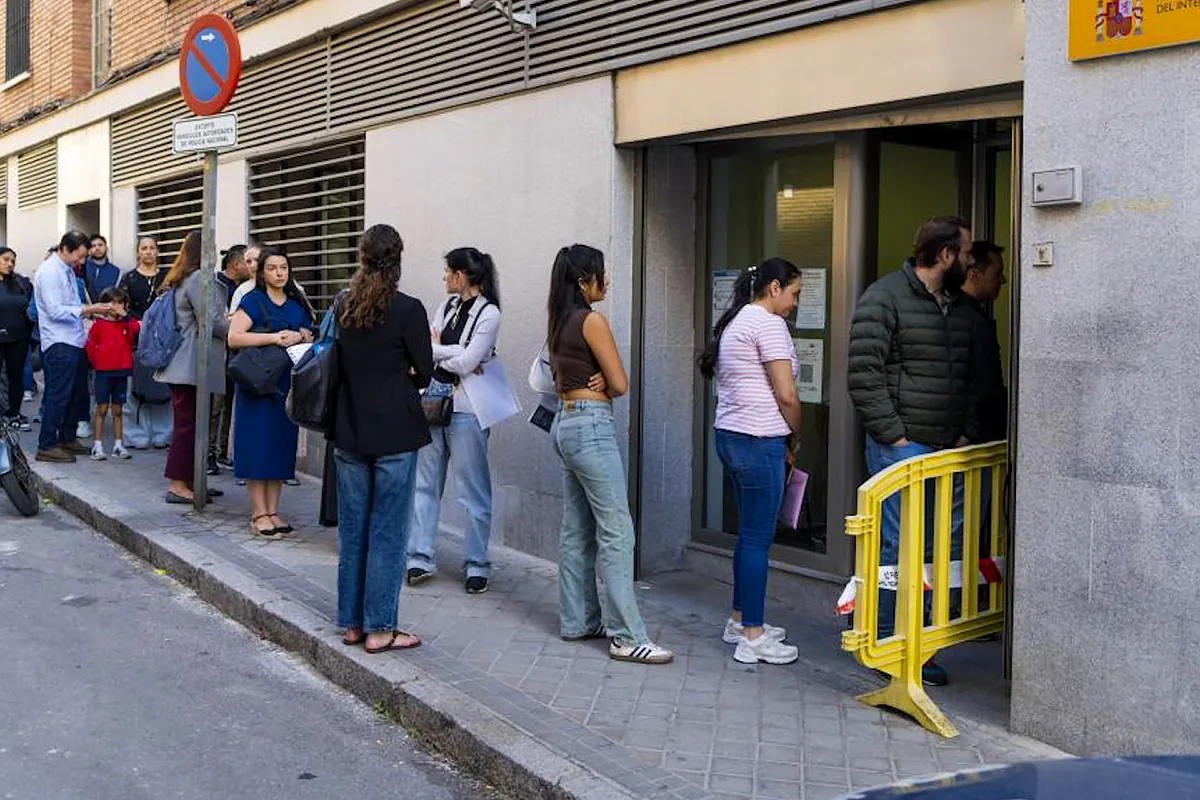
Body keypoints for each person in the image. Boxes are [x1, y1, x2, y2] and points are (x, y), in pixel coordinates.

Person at [847, 215, 979, 687]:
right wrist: (894, 436)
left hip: (951, 451)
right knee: (897, 547)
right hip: (902, 449)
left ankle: (921, 646)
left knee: (941, 549)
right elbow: (864, 373)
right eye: (966, 253)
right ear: (945, 255)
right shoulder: (884, 298)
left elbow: (978, 377)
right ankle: (887, 641)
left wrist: (967, 432)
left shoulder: (963, 310)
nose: (971, 262)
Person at [548, 244, 673, 665]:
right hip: (591, 426)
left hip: (566, 423)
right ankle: (626, 636)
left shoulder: (559, 319)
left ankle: (578, 620)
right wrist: (606, 376)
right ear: (584, 281)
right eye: (602, 274)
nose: (608, 280)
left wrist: (600, 374)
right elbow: (620, 383)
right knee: (617, 531)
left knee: (576, 529)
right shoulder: (592, 320)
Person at [332, 224, 433, 654]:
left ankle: (353, 624)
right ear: (398, 260)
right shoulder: (408, 309)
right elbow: (425, 372)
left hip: (349, 428)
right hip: (394, 431)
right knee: (388, 532)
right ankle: (381, 629)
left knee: (354, 532)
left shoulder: (344, 306)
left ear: (362, 257)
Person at [698, 257, 803, 666]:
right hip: (759, 440)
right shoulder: (769, 325)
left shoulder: (737, 321)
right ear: (774, 288)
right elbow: (787, 395)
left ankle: (741, 620)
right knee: (758, 539)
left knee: (748, 535)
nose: (795, 302)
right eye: (794, 293)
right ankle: (753, 637)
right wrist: (796, 434)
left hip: (731, 436)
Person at [407, 248, 503, 594]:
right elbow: (428, 348)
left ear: (461, 275)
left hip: (468, 408)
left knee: (473, 490)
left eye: (448, 272)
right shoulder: (446, 306)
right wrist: (456, 352)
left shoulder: (489, 313)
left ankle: (477, 563)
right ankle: (419, 556)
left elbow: (467, 362)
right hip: (434, 401)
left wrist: (444, 354)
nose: (444, 278)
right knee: (425, 483)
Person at [226, 247, 314, 536]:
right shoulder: (253, 300)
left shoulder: (297, 303)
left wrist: (299, 335)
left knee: (280, 446)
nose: (279, 273)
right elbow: (234, 337)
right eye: (273, 268)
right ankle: (258, 513)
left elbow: (310, 335)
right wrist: (274, 337)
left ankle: (274, 512)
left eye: (284, 268)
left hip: (285, 385)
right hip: (256, 384)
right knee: (256, 446)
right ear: (262, 273)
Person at [155, 231, 229, 505]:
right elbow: (210, 321)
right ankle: (177, 484)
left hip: (189, 364)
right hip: (190, 365)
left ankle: (191, 481)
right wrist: (240, 329)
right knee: (188, 426)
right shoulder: (198, 278)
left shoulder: (183, 277)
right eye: (213, 249)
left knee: (193, 425)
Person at [33, 231, 113, 463]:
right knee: (58, 395)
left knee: (76, 394)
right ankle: (47, 445)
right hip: (59, 342)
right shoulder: (49, 272)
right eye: (80, 256)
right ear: (66, 249)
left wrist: (91, 313)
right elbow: (55, 310)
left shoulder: (67, 269)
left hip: (74, 340)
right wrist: (89, 309)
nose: (82, 261)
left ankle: (67, 438)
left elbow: (71, 304)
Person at [119, 236, 173, 451]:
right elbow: (121, 305)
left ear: (157, 251)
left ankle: (163, 434)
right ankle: (136, 435)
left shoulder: (168, 277)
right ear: (138, 252)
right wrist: (137, 324)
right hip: (135, 339)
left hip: (163, 340)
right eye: (144, 248)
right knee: (135, 389)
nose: (148, 252)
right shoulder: (129, 278)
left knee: (162, 387)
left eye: (152, 248)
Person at [85, 287, 139, 461]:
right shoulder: (99, 325)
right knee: (101, 408)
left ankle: (118, 444)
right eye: (113, 303)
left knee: (118, 410)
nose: (117, 307)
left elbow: (135, 329)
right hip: (103, 372)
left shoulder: (125, 324)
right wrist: (97, 362)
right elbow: (90, 346)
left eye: (120, 303)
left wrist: (125, 316)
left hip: (121, 371)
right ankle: (97, 445)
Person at [962, 241, 1008, 444]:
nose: (1003, 280)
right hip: (977, 431)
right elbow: (983, 384)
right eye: (997, 273)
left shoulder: (970, 314)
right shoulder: (968, 319)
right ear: (974, 274)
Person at [209, 245, 248, 474]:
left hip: (236, 354)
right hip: (218, 353)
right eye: (247, 261)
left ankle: (223, 451)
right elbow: (214, 320)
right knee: (215, 406)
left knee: (229, 404)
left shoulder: (246, 288)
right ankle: (208, 455)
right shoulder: (216, 284)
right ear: (235, 263)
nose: (251, 266)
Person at [0, 247, 34, 430]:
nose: (10, 264)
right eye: (5, 259)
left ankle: (13, 414)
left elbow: (30, 307)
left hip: (18, 337)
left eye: (12, 261)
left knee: (16, 377)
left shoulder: (20, 283)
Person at [227, 244, 261, 317]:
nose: (252, 265)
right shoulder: (242, 290)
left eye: (257, 260)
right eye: (248, 262)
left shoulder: (281, 284)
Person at [84, 234, 121, 300]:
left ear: (106, 247)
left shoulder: (116, 271)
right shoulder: (82, 268)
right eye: (93, 246)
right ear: (89, 250)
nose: (97, 248)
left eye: (100, 245)